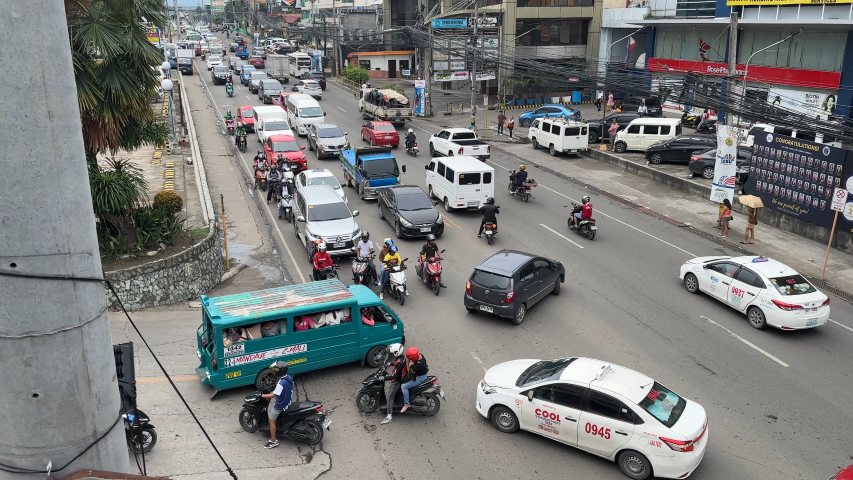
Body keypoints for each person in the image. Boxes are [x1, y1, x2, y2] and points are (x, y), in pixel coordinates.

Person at [259, 361, 293, 449]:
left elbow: (273, 395)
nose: (274, 371)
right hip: (288, 401)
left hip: (281, 405)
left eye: (276, 370)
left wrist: (262, 395)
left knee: (271, 420)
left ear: (279, 371)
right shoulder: (288, 378)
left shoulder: (281, 384)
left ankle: (273, 440)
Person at [381, 343, 406, 425]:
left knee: (389, 397)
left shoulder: (399, 363)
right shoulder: (401, 358)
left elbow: (395, 376)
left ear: (396, 353)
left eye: (393, 353)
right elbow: (396, 366)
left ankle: (389, 416)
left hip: (396, 382)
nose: (392, 354)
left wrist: (384, 378)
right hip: (401, 377)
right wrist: (390, 364)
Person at [400, 347, 428, 413]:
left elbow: (409, 373)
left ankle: (406, 404)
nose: (409, 359)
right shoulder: (420, 356)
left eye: (410, 359)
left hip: (420, 378)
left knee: (404, 386)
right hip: (421, 373)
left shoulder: (418, 365)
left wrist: (407, 362)